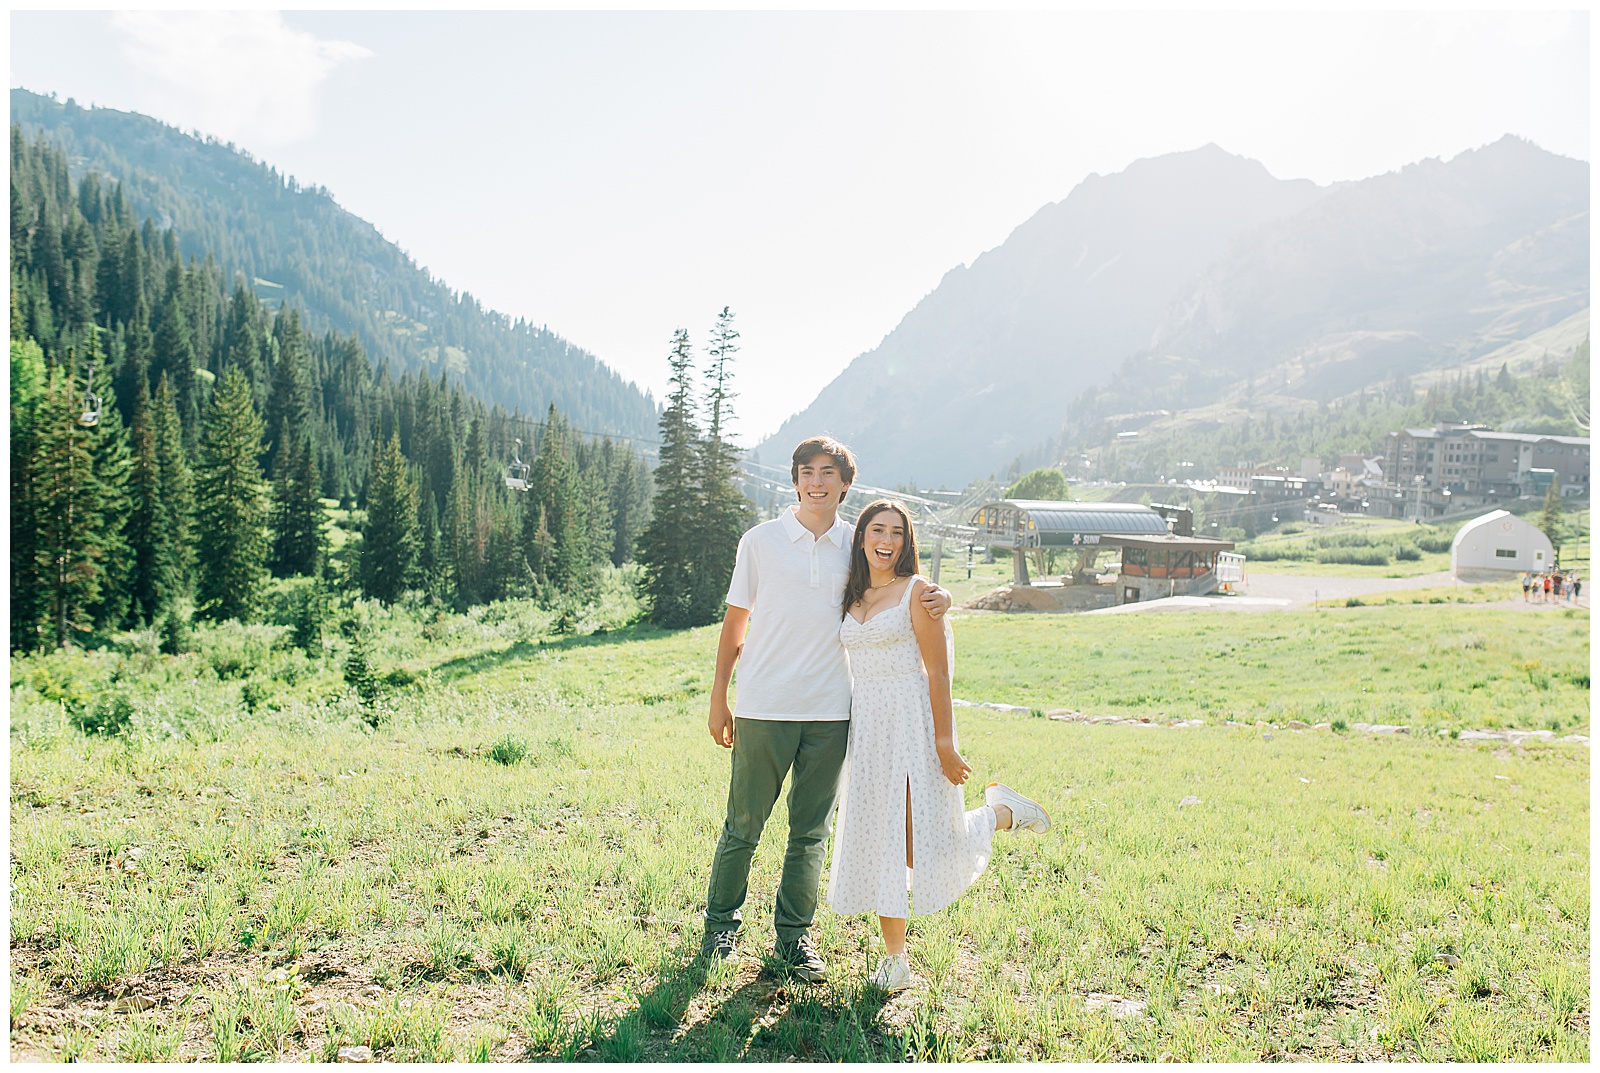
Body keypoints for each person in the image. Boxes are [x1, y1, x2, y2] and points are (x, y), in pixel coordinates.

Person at [699, 437, 952, 980]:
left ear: (845, 485)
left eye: (828, 472)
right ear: (794, 480)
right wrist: (720, 696)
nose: (817, 481)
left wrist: (941, 597)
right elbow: (735, 624)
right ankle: (720, 929)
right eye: (807, 471)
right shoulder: (760, 541)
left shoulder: (857, 546)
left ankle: (793, 939)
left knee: (809, 833)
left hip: (833, 715)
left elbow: (901, 590)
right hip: (763, 706)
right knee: (743, 825)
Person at [827, 499, 1049, 994]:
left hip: (913, 721)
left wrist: (945, 743)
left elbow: (939, 670)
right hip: (867, 728)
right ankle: (895, 960)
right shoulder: (851, 592)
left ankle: (998, 815)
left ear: (907, 543)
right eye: (877, 530)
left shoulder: (919, 593)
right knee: (884, 839)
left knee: (917, 843)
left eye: (898, 533)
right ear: (861, 536)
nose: (887, 540)